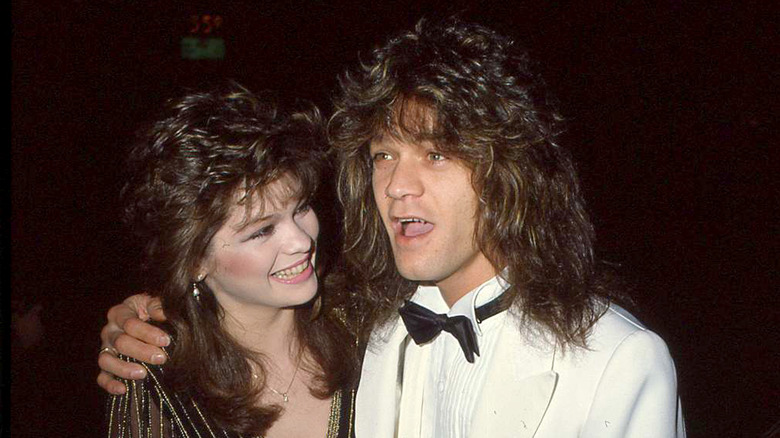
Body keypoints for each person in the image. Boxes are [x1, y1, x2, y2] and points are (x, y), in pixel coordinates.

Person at [99, 19, 685, 438]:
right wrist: (139, 320)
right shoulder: (379, 328)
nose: (398, 186)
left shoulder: (618, 361)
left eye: (435, 154)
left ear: (510, 169)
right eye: (383, 156)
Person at [101, 83, 358, 438]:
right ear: (194, 261)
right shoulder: (160, 385)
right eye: (262, 231)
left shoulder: (364, 328)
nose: (301, 240)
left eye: (300, 208)